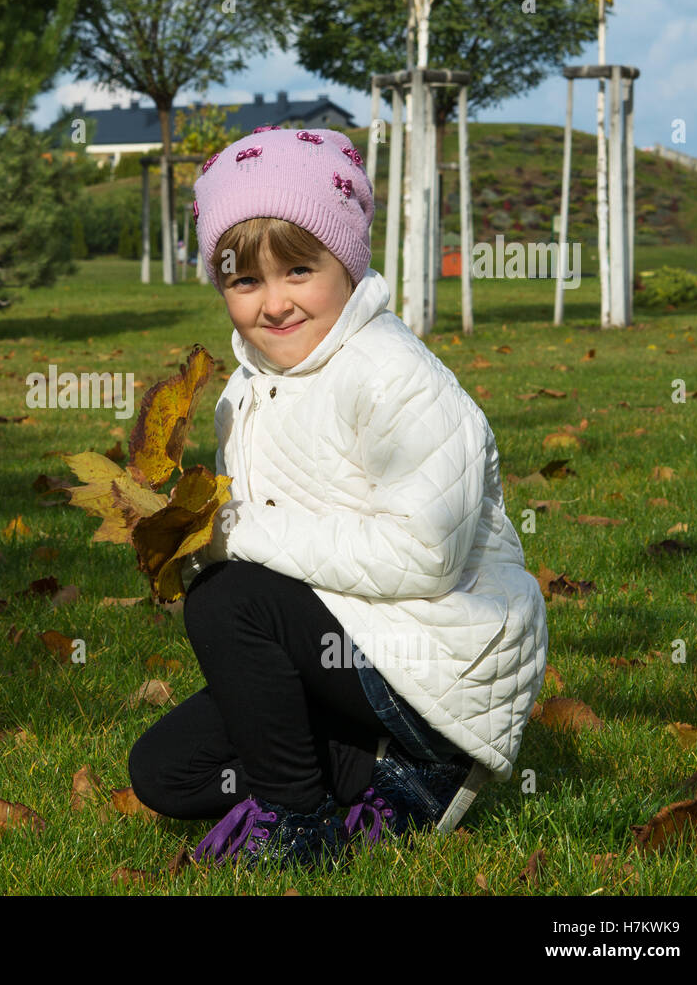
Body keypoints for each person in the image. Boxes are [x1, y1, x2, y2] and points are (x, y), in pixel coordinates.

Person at [126, 126, 548, 874]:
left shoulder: (392, 375)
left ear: (346, 262)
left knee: (229, 600)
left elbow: (423, 556)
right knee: (165, 769)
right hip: (352, 645)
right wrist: (185, 538)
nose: (275, 301)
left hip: (435, 656)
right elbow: (276, 553)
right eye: (245, 280)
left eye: (298, 269)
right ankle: (389, 781)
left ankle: (304, 820)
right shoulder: (248, 390)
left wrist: (233, 535)